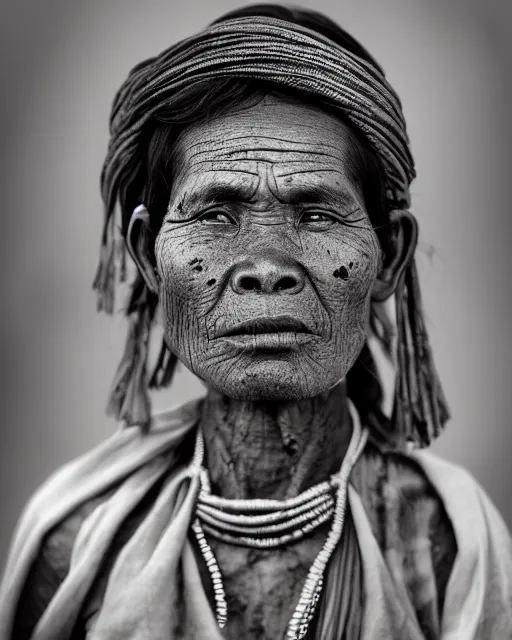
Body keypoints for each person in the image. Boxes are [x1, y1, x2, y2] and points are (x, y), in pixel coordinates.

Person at [1, 5, 511, 639]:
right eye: (215, 214)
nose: (266, 267)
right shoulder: (77, 545)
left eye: (318, 216)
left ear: (390, 257)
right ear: (148, 256)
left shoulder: (448, 547)